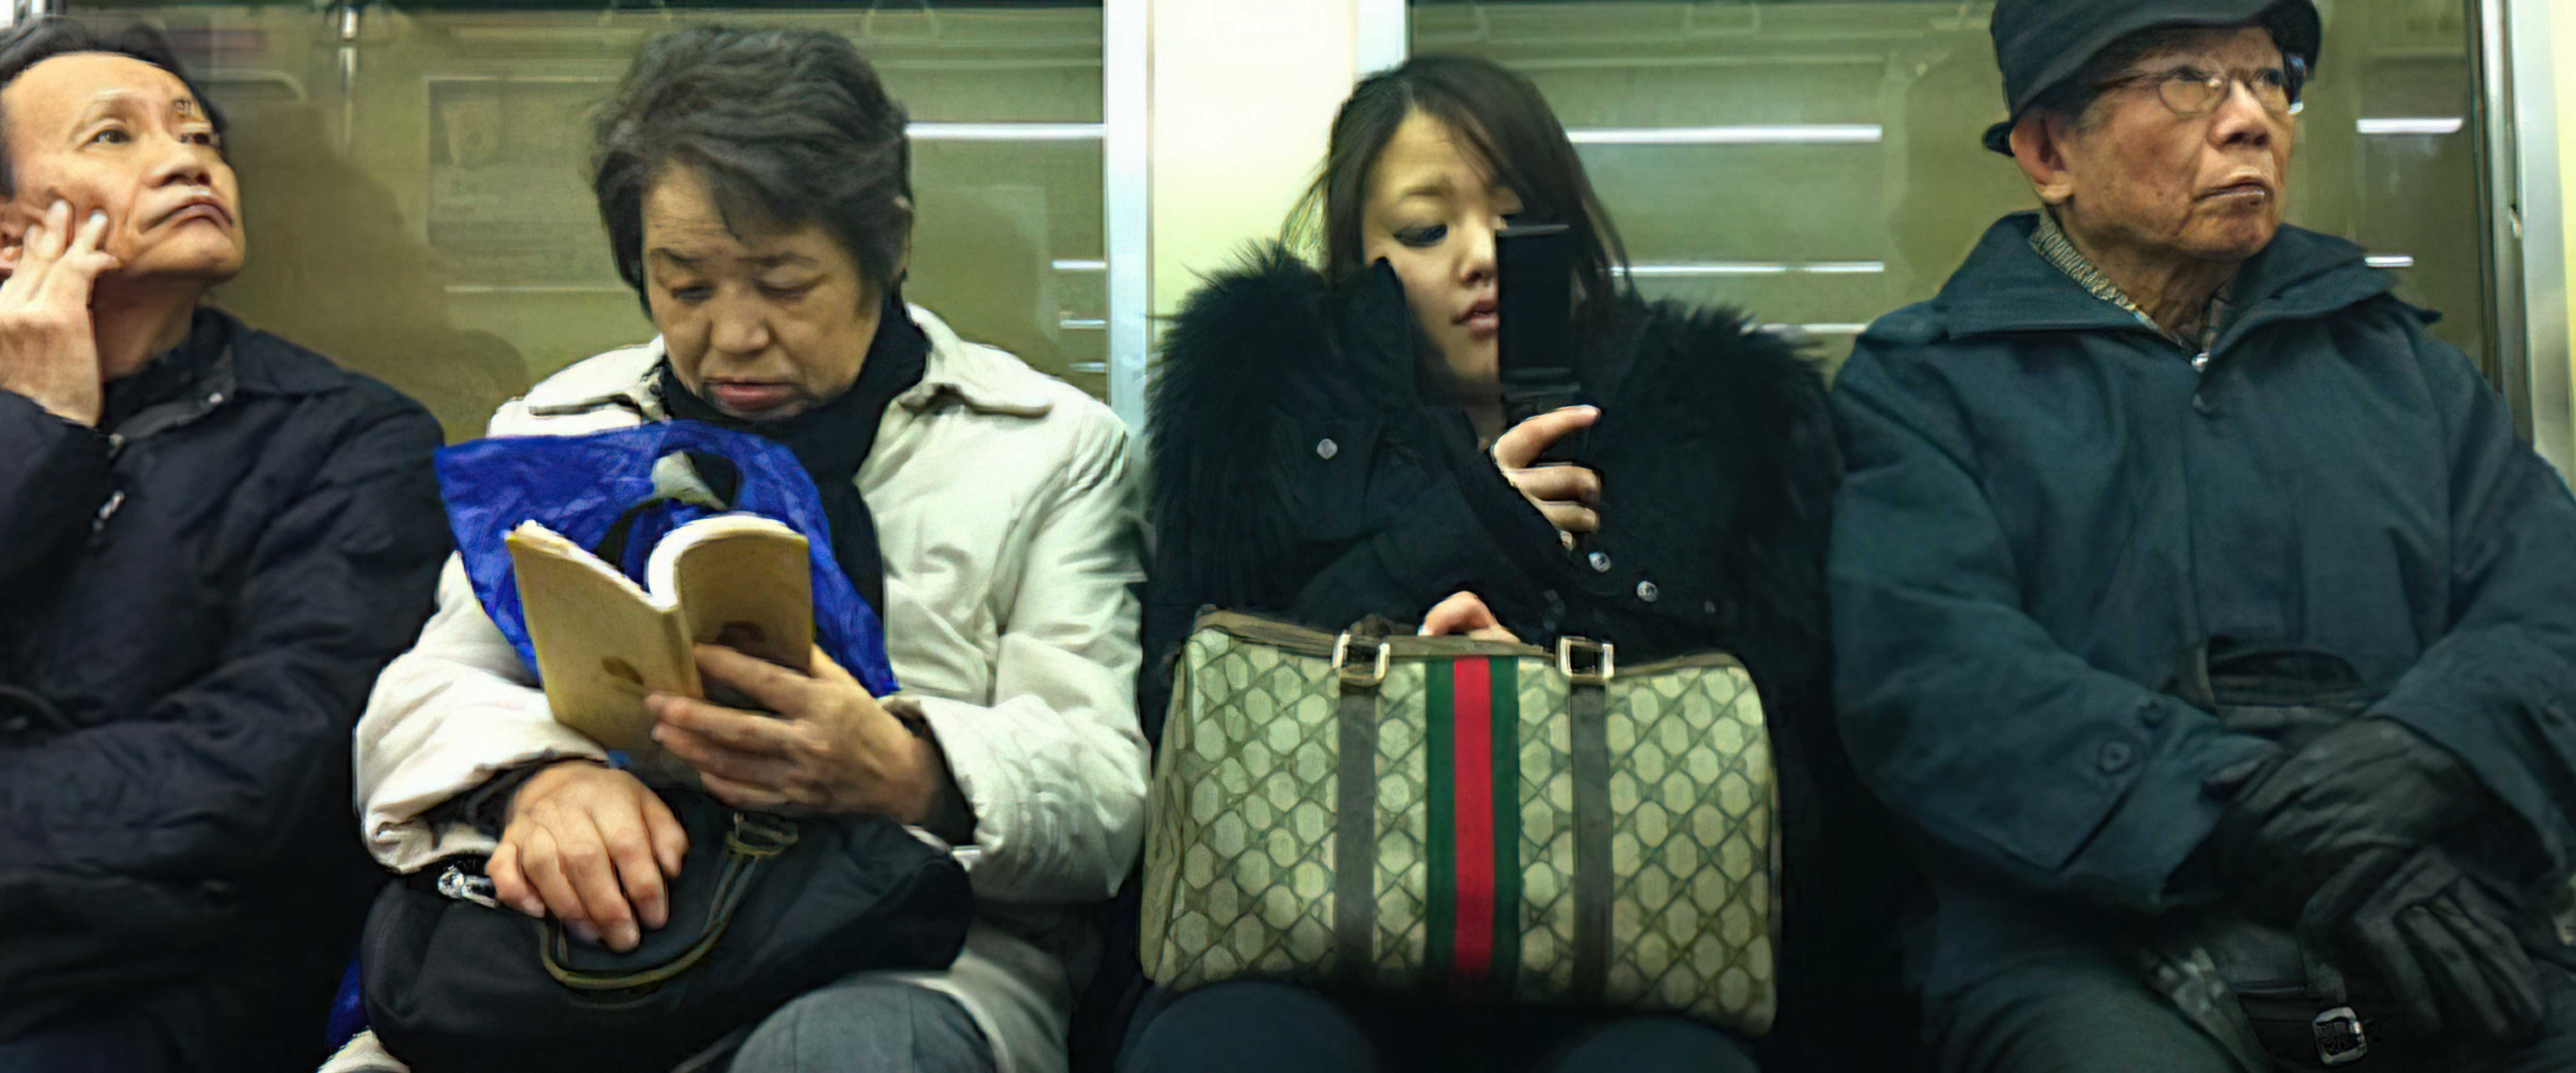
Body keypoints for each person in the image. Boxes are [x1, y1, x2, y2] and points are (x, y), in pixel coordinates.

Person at [337, 25, 1146, 1073]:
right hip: (617, 930)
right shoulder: (559, 432)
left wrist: (907, 769)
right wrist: (541, 785)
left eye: (783, 281)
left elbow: (1103, 791)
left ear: (887, 242)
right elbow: (424, 696)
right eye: (686, 284)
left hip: (901, 947)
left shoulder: (1046, 448)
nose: (734, 335)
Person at [1123, 53, 1909, 1073]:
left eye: (1515, 217)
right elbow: (1188, 708)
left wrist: (1546, 693)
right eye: (1423, 229)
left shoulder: (1714, 424)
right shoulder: (1258, 414)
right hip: (1317, 943)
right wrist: (1463, 534)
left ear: (1569, 231)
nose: (1480, 255)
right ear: (1354, 256)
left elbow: (1786, 772)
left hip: (1624, 953)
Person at [1829, 1, 2576, 1069]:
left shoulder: (2398, 368)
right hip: (2086, 929)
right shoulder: (1928, 386)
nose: (2249, 120)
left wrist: (2425, 754)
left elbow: (2547, 600)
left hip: (2413, 886)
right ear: (2049, 151)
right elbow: (1936, 678)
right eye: (2186, 80)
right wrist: (2242, 815)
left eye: (2268, 79)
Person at [0, 18, 451, 1073]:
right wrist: (33, 436)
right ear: (8, 232)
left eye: (199, 134)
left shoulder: (349, 438)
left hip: (172, 986)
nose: (185, 159)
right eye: (115, 137)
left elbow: (265, 762)